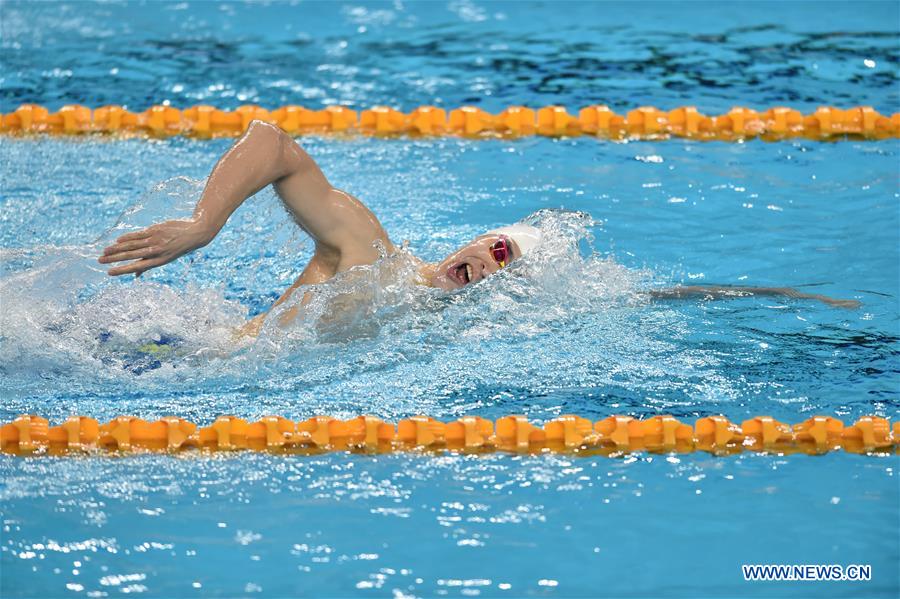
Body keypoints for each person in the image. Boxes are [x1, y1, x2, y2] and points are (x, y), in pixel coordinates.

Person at [98, 121, 859, 337]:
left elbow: (647, 298)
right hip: (165, 357)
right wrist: (204, 225)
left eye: (509, 269)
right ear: (475, 238)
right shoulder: (371, 253)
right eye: (496, 249)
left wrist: (766, 294)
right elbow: (274, 144)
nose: (490, 266)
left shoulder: (432, 323)